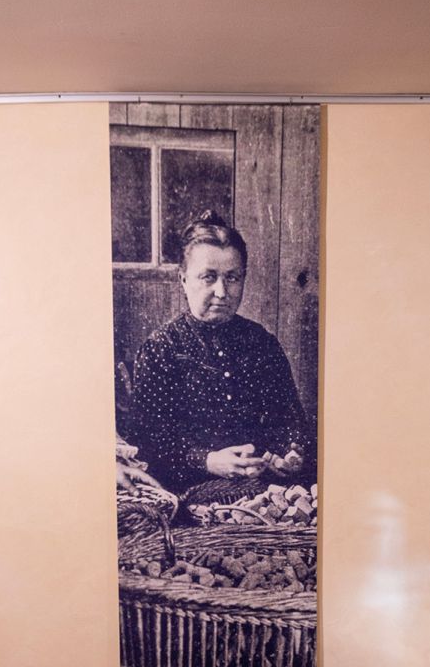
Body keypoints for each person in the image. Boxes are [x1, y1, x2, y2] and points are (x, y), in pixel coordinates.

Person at [129, 211, 311, 498]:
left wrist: (289, 454)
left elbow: (290, 422)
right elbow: (147, 445)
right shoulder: (161, 349)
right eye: (208, 277)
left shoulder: (263, 344)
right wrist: (208, 461)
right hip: (189, 493)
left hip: (263, 491)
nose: (222, 292)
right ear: (183, 279)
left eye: (232, 278)